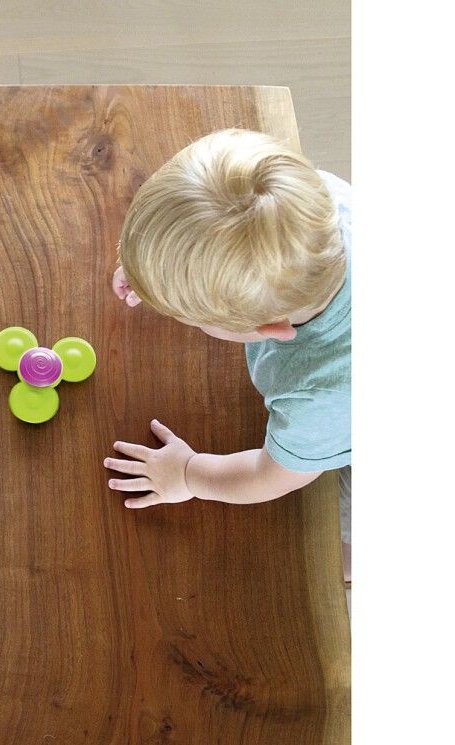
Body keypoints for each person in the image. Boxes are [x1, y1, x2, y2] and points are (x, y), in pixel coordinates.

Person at [106, 129, 351, 579]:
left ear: (269, 330)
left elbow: (270, 476)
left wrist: (188, 474)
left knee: (343, 545)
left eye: (186, 316)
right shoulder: (314, 205)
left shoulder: (319, 397)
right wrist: (157, 272)